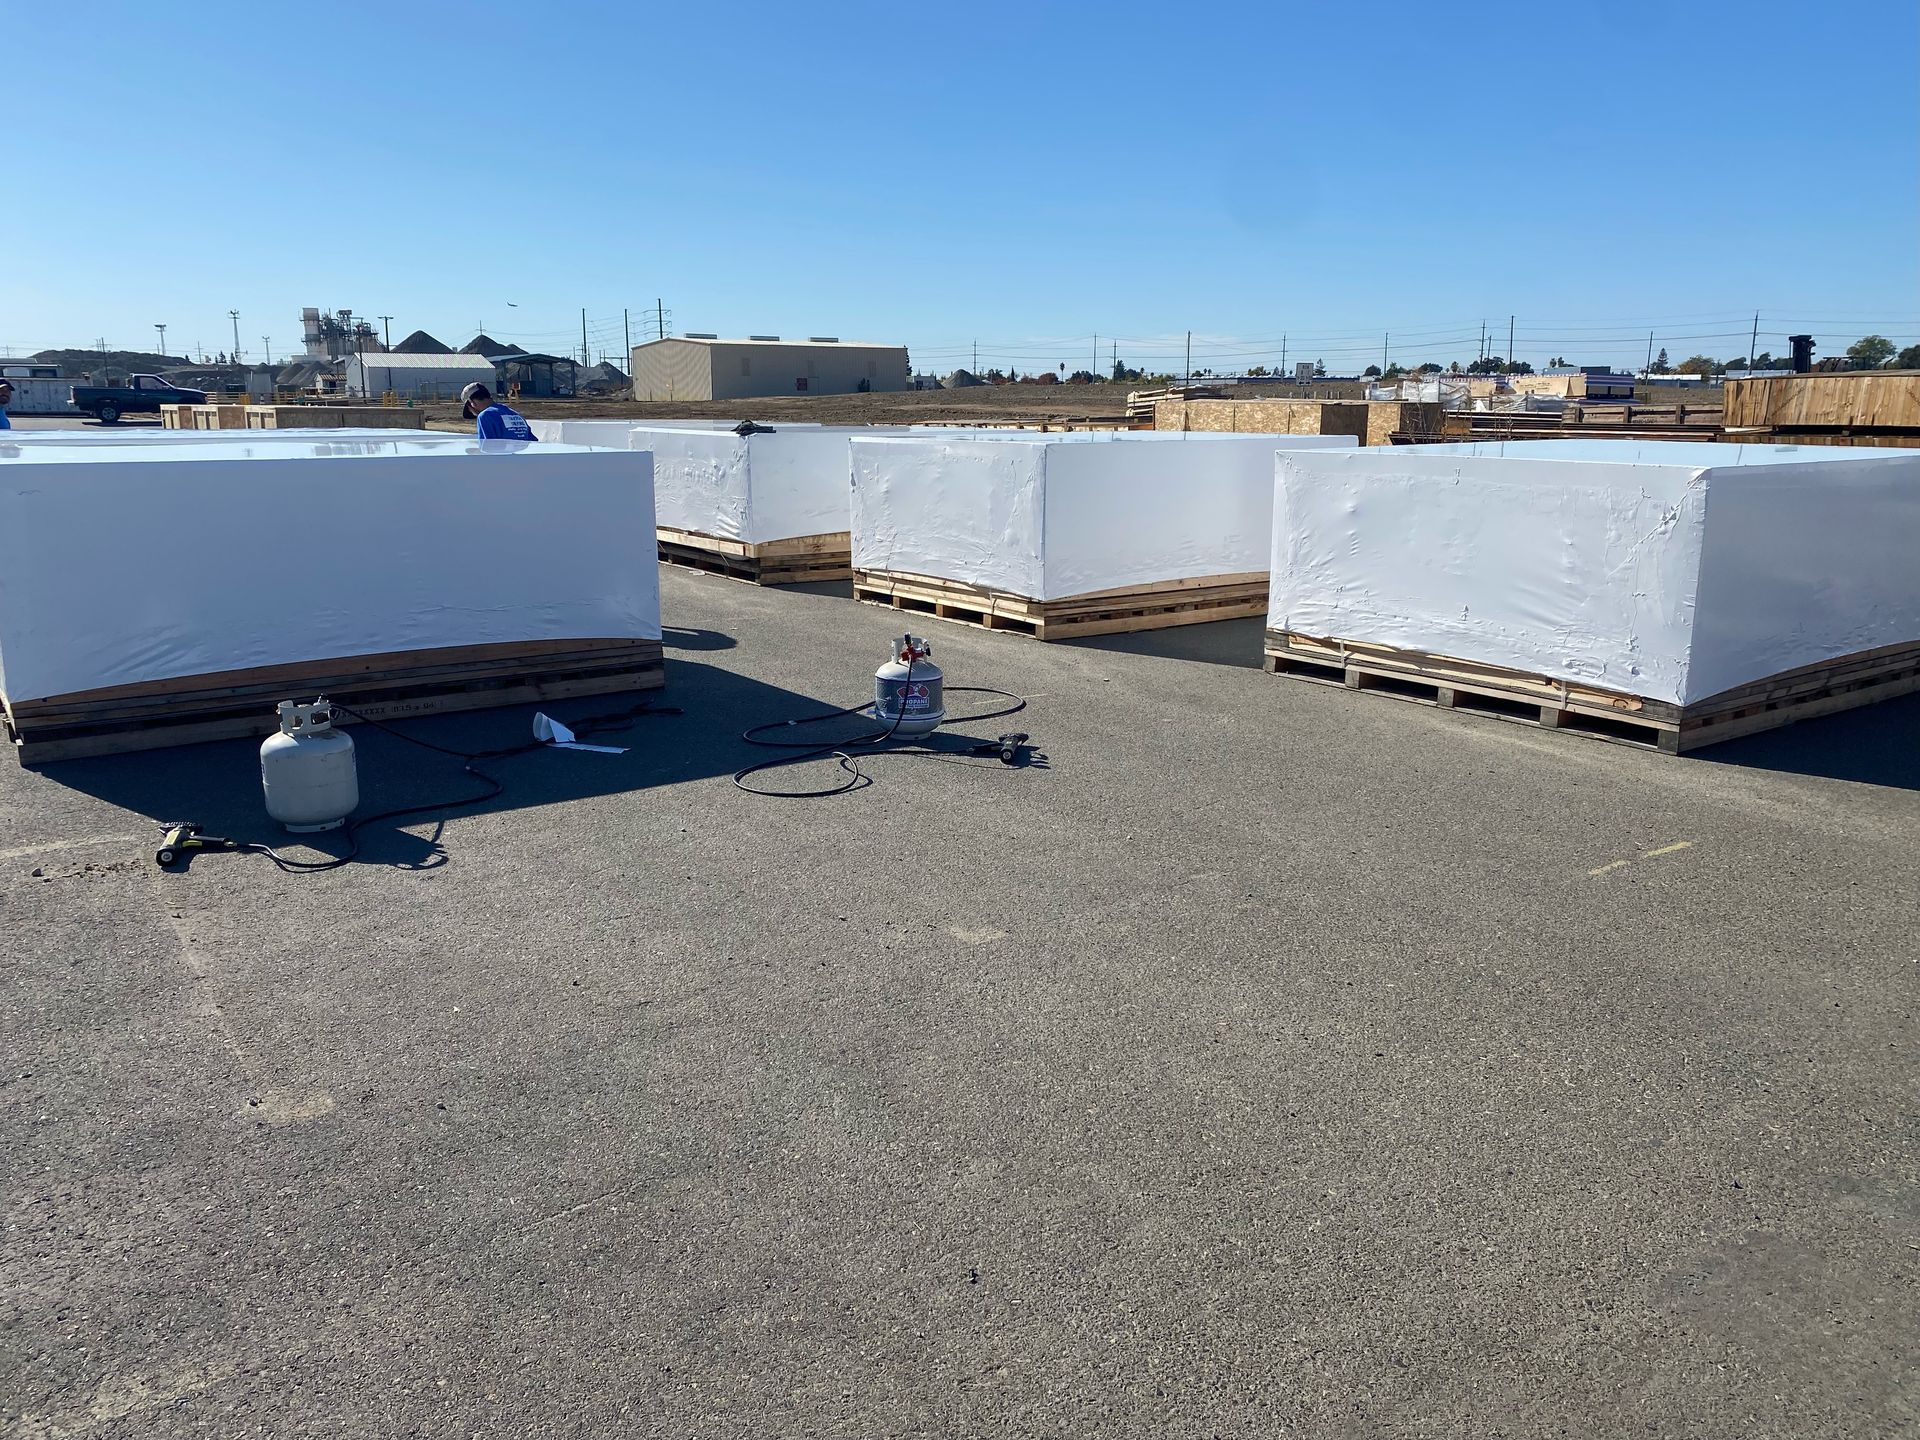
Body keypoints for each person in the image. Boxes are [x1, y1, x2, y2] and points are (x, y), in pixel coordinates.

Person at [460, 382, 535, 441]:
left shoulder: (485, 416)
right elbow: (533, 441)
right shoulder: (516, 415)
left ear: (472, 403)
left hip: (503, 460)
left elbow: (488, 448)